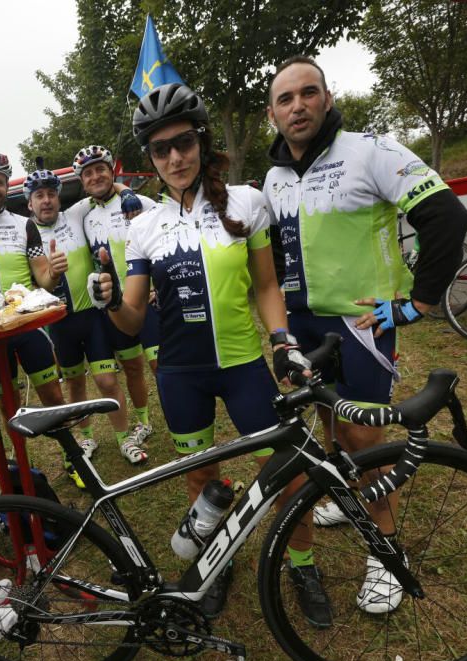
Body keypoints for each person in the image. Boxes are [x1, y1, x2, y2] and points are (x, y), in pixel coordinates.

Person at [92, 83, 314, 620]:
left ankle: (303, 565)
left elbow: (267, 287)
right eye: (161, 150)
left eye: (183, 143)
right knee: (200, 477)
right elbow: (133, 316)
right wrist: (107, 303)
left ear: (201, 142)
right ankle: (215, 563)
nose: (174, 158)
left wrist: (282, 342)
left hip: (243, 366)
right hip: (180, 374)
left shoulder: (247, 202)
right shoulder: (142, 227)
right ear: (149, 159)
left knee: (288, 469)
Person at [262, 55, 467, 614]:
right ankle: (346, 494)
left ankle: (385, 553)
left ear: (326, 98)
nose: (298, 105)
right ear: (273, 113)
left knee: (366, 441)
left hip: (360, 327)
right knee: (328, 423)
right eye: (286, 99)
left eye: (308, 93)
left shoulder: (369, 149)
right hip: (302, 325)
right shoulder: (275, 175)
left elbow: (447, 217)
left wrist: (417, 303)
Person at [23, 166, 146, 476]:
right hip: (60, 323)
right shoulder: (31, 234)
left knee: (107, 380)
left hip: (92, 317)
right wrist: (51, 272)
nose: (47, 200)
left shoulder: (76, 214)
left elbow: (105, 187)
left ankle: (123, 438)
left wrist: (127, 191)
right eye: (39, 196)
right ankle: (86, 439)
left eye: (51, 194)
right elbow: (40, 281)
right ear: (30, 203)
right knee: (76, 385)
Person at [74, 145, 160, 447]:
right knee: (133, 366)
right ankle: (144, 422)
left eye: (101, 169)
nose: (95, 176)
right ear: (82, 181)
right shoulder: (83, 214)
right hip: (114, 307)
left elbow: (168, 240)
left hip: (147, 300)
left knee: (158, 365)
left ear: (112, 171)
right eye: (88, 173)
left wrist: (159, 285)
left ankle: (178, 419)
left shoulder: (141, 202)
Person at [0, 151, 68, 410]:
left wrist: (54, 272)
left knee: (54, 397)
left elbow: (44, 282)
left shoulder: (25, 225)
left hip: (27, 324)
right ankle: (17, 450)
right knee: (8, 405)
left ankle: (72, 449)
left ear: (6, 186)